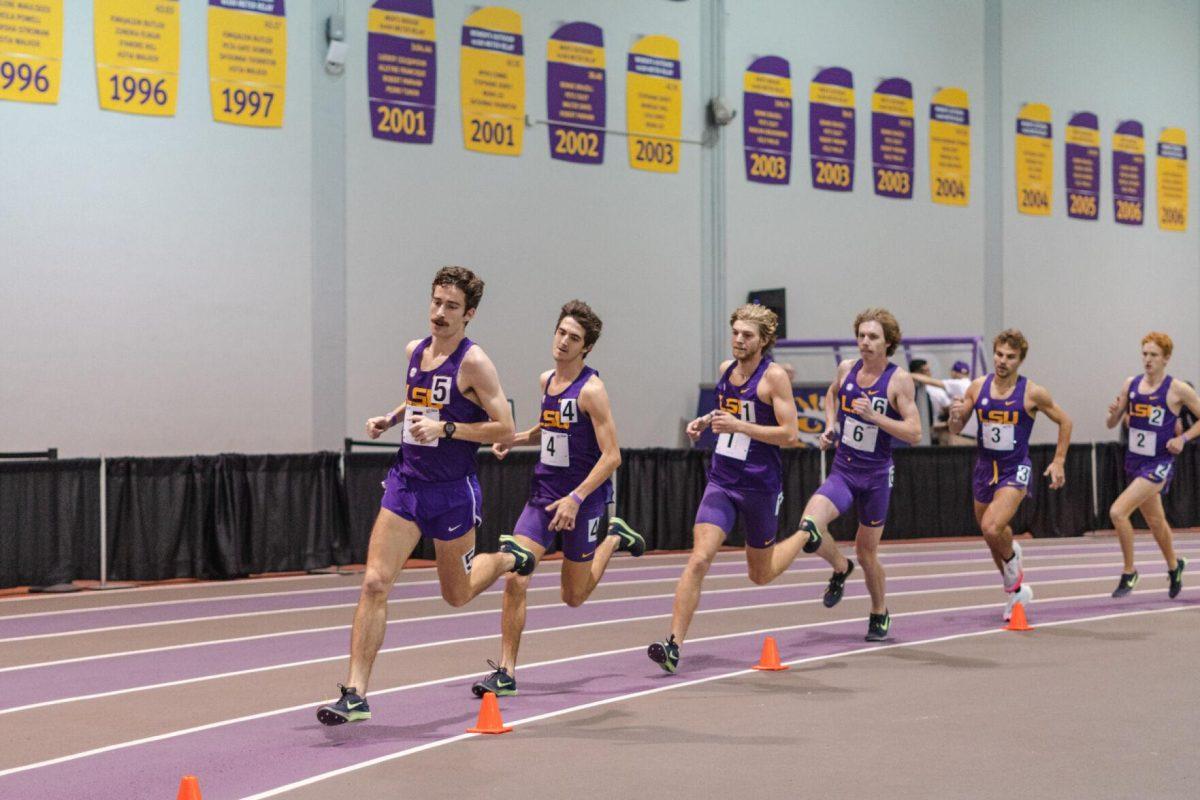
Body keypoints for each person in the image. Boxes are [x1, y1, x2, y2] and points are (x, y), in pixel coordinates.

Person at [317, 266, 529, 726]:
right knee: (374, 582)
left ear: (468, 314)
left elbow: (506, 429)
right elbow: (419, 399)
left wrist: (448, 428)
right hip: (406, 484)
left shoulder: (475, 363)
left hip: (452, 493)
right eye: (436, 302)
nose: (439, 313)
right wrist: (390, 419)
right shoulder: (415, 350)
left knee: (457, 594)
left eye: (451, 307)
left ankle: (509, 558)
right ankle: (356, 693)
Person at [471, 300, 645, 697]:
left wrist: (576, 497)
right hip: (544, 495)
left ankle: (614, 537)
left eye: (574, 338)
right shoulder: (546, 380)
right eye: (561, 332)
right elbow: (549, 427)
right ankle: (506, 670)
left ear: (586, 348)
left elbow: (612, 455)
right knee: (517, 576)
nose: (564, 341)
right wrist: (513, 440)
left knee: (574, 596)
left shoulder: (593, 390)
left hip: (584, 501)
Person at [647, 304, 801, 673]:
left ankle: (805, 535)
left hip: (760, 485)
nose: (738, 340)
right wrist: (705, 421)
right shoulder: (724, 371)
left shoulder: (774, 377)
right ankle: (673, 646)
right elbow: (729, 413)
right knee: (699, 558)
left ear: (763, 341)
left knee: (759, 575)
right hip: (723, 480)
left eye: (747, 335)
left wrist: (740, 427)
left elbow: (791, 434)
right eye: (735, 332)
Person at [794, 308, 922, 642]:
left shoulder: (898, 380)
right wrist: (831, 425)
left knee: (867, 554)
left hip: (876, 477)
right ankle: (839, 566)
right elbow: (832, 394)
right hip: (844, 471)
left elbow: (915, 432)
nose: (864, 342)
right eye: (861, 335)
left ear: (888, 342)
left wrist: (876, 418)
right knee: (809, 527)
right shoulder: (847, 368)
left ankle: (879, 611)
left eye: (873, 337)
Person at [949, 329, 1073, 620]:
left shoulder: (1033, 392)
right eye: (999, 354)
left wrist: (1059, 461)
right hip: (984, 468)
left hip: (1014, 469)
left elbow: (1065, 421)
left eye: (1011, 357)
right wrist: (954, 417)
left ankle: (1012, 559)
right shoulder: (977, 387)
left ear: (1020, 360)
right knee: (991, 533)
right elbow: (956, 428)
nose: (1003, 361)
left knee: (993, 527)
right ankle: (1015, 592)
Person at [1104, 332, 1200, 598]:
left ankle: (1129, 571)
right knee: (1156, 522)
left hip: (1159, 463)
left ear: (1166, 358)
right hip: (1135, 461)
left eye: (1153, 355)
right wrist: (1112, 414)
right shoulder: (1130, 385)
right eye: (1144, 354)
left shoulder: (1177, 389)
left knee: (1118, 512)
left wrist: (1183, 438)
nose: (1147, 359)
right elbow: (1112, 424)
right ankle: (1174, 565)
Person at [911, 359, 976, 445]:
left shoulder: (957, 384)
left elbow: (931, 381)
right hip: (973, 438)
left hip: (962, 437)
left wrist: (907, 374)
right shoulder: (971, 385)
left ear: (953, 372)